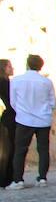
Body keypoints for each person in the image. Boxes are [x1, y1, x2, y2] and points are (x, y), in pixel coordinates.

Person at [7, 54, 56, 189]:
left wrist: (22, 112)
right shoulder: (46, 82)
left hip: (24, 119)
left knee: (20, 150)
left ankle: (18, 180)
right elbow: (52, 102)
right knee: (43, 149)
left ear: (27, 64)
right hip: (43, 120)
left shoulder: (16, 81)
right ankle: (42, 178)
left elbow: (13, 102)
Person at [0, 59, 15, 190]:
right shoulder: (3, 82)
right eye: (9, 66)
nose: (12, 68)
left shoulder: (8, 82)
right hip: (10, 118)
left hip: (9, 116)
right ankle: (6, 178)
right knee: (8, 149)